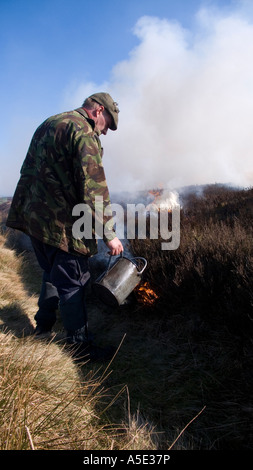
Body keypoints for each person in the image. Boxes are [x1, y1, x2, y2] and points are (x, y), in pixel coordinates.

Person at [6, 92, 124, 361]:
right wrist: (109, 234)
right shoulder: (83, 131)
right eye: (107, 124)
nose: (104, 132)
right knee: (74, 282)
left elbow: (28, 170)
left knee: (51, 272)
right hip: (63, 224)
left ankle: (43, 326)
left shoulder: (49, 123)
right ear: (97, 111)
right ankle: (79, 347)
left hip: (36, 218)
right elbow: (93, 187)